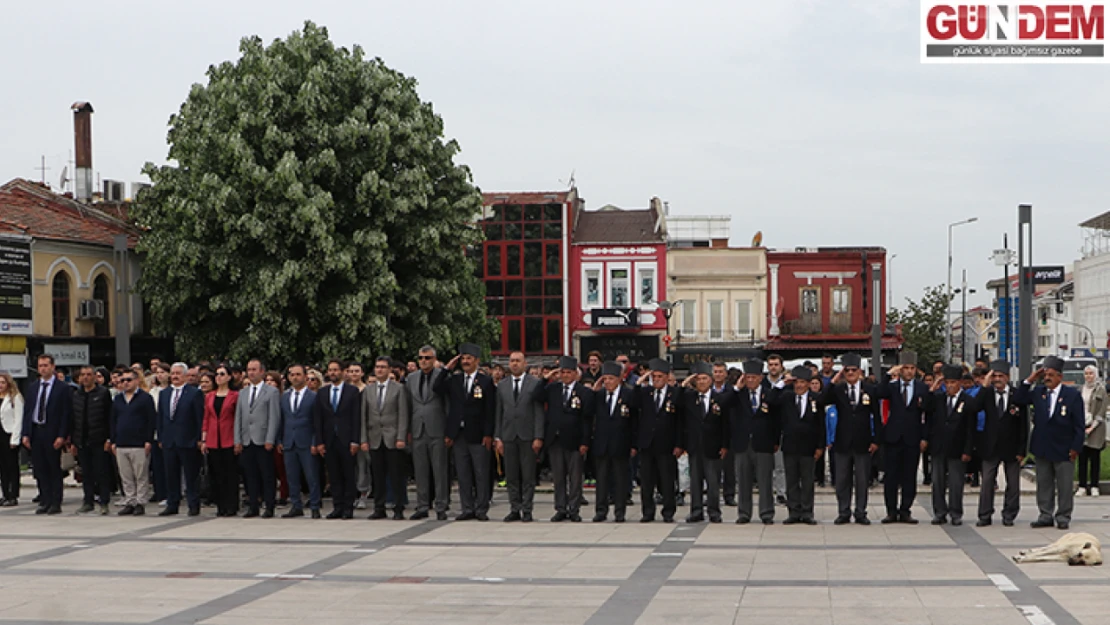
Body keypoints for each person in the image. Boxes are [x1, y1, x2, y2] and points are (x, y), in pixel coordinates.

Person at [1017, 356, 1086, 529]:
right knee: (1044, 484)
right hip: (1042, 446)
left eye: (1051, 375)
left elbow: (1079, 424)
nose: (1047, 378)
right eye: (1045, 375)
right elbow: (1018, 399)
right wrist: (1030, 380)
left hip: (1064, 448)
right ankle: (1045, 514)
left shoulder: (1072, 395)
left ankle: (1063, 516)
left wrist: (1076, 447)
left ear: (1060, 377)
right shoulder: (1039, 392)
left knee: (1064, 485)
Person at [436, 343, 496, 521]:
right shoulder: (455, 379)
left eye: (469, 358)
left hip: (478, 434)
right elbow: (437, 388)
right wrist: (447, 368)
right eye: (463, 358)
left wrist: (488, 434)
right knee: (463, 474)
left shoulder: (485, 381)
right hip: (458, 433)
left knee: (480, 473)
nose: (466, 361)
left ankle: (481, 509)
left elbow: (490, 410)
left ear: (477, 360)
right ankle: (467, 507)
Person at [822, 353, 880, 525]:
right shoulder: (838, 389)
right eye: (847, 371)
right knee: (842, 480)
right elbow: (823, 399)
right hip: (842, 441)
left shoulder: (869, 389)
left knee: (862, 480)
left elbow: (876, 416)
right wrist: (833, 380)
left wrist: (876, 440)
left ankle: (861, 512)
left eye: (854, 370)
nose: (850, 374)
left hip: (863, 442)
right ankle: (844, 511)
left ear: (860, 371)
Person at [536, 356, 594, 522]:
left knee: (575, 477)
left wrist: (585, 441)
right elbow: (537, 396)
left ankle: (574, 508)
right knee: (559, 477)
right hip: (555, 439)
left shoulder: (584, 392)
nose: (566, 375)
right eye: (563, 372)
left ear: (576, 374)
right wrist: (545, 379)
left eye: (569, 372)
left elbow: (587, 419)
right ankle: (560, 508)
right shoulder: (553, 389)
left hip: (575, 440)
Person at [969, 359, 1027, 527]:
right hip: (990, 446)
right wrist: (984, 386)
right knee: (987, 482)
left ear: (1007, 377)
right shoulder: (986, 393)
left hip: (1012, 446)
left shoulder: (1017, 395)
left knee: (1013, 484)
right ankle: (985, 514)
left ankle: (1009, 514)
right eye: (994, 376)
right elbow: (973, 407)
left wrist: (1022, 449)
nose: (997, 379)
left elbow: (1023, 424)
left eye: (1000, 376)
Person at [875, 352, 929, 524]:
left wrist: (924, 437)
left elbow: (928, 414)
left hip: (913, 438)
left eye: (912, 368)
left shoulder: (922, 388)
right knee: (891, 476)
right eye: (906, 368)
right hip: (893, 437)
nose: (909, 372)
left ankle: (905, 510)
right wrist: (889, 374)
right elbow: (878, 392)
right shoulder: (892, 386)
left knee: (909, 477)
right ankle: (891, 511)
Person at [494, 351, 544, 522]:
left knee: (528, 475)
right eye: (512, 361)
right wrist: (498, 437)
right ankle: (514, 508)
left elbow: (538, 412)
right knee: (511, 475)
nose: (514, 364)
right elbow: (498, 413)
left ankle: (527, 509)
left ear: (525, 364)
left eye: (518, 361)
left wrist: (538, 436)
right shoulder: (502, 385)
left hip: (527, 435)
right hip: (508, 435)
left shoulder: (535, 384)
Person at [772, 366, 824, 525]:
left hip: (809, 447)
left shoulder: (816, 398)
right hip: (790, 446)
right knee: (792, 480)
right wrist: (782, 383)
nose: (799, 386)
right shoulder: (786, 397)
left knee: (807, 481)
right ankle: (794, 511)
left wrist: (820, 446)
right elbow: (770, 400)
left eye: (802, 382)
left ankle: (807, 512)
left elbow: (821, 425)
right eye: (797, 382)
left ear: (809, 383)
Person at [21, 354, 72, 515]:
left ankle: (55, 502)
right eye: (40, 366)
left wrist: (62, 435)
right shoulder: (33, 387)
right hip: (36, 431)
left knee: (53, 468)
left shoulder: (62, 388)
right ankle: (44, 499)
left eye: (45, 365)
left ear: (52, 367)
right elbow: (28, 411)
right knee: (40, 468)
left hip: (52, 432)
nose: (43, 368)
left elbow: (66, 413)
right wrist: (26, 433)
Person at [361, 356, 409, 520]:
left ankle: (398, 507)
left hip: (393, 436)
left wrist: (401, 436)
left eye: (383, 367)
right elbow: (364, 416)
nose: (379, 370)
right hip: (374, 436)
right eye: (377, 367)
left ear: (389, 370)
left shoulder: (399, 389)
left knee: (396, 474)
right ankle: (379, 507)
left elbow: (403, 414)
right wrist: (363, 439)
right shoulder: (368, 390)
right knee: (378, 474)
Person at [924, 365, 973, 526]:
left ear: (959, 382)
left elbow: (970, 428)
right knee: (937, 482)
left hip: (957, 448)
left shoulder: (967, 401)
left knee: (956, 483)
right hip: (939, 447)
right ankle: (939, 512)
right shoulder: (938, 398)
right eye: (947, 382)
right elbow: (925, 407)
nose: (950, 386)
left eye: (953, 382)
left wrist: (967, 450)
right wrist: (933, 388)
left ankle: (956, 512)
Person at [635, 358, 683, 523]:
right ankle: (648, 512)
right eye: (653, 376)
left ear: (667, 377)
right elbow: (632, 395)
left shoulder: (675, 393)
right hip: (647, 444)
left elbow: (680, 421)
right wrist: (642, 379)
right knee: (647, 481)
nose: (656, 379)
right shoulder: (645, 393)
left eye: (660, 376)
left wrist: (679, 444)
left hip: (667, 444)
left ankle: (668, 512)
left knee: (667, 480)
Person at [682, 362, 730, 523]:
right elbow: (677, 395)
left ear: (710, 380)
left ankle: (714, 511)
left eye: (704, 378)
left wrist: (724, 445)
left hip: (713, 446)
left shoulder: (719, 399)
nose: (701, 382)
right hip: (695, 446)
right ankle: (696, 511)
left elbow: (725, 424)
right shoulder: (689, 397)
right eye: (699, 379)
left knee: (713, 481)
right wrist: (686, 382)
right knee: (695, 481)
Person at [406, 346, 449, 521]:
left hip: (437, 428)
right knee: (420, 470)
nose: (424, 361)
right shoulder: (411, 378)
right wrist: (407, 429)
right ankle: (422, 505)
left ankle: (441, 505)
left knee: (439, 470)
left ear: (434, 359)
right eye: (421, 358)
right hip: (418, 428)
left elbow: (448, 404)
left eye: (428, 358)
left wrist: (448, 430)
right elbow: (408, 405)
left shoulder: (442, 376)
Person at [591, 361, 638, 523]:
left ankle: (620, 511)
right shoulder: (598, 396)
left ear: (619, 379)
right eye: (605, 379)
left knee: (620, 480)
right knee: (602, 480)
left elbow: (634, 422)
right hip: (602, 444)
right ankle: (601, 510)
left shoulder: (628, 395)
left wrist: (633, 444)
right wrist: (596, 388)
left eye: (611, 378)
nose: (608, 382)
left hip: (621, 444)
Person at [235, 359, 282, 518]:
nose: (251, 373)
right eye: (249, 369)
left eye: (254, 369)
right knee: (250, 475)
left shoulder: (271, 392)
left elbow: (274, 417)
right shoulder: (243, 393)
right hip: (247, 439)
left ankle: (269, 506)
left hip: (263, 439)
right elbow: (239, 418)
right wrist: (238, 439)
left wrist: (270, 438)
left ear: (262, 371)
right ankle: (253, 505)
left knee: (267, 475)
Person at [156, 362, 205, 516]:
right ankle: (172, 503)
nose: (175, 376)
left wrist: (198, 438)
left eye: (178, 373)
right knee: (171, 474)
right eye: (173, 373)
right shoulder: (164, 393)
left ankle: (193, 504)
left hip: (188, 440)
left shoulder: (194, 393)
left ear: (185, 376)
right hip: (169, 440)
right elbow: (161, 417)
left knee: (191, 475)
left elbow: (199, 417)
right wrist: (161, 436)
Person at [314, 360, 361, 519]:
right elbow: (318, 419)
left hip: (346, 439)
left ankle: (348, 508)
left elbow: (356, 418)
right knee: (333, 475)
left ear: (343, 372)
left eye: (335, 370)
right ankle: (337, 506)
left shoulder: (352, 391)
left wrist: (355, 440)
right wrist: (319, 441)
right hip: (329, 439)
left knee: (348, 474)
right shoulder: (322, 392)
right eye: (330, 370)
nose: (332, 373)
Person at [732, 359, 777, 525]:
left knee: (765, 480)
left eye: (753, 377)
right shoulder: (738, 394)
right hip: (743, 443)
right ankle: (744, 513)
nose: (750, 380)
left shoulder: (769, 393)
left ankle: (766, 513)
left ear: (760, 377)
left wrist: (775, 440)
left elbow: (776, 419)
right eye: (748, 377)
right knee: (743, 480)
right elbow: (724, 402)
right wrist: (737, 387)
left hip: (763, 443)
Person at [108, 371, 156, 516]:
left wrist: (148, 440)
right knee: (126, 475)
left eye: (129, 380)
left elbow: (151, 420)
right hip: (121, 442)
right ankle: (130, 501)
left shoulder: (145, 398)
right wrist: (113, 440)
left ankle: (140, 502)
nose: (125, 383)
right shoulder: (118, 399)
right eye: (122, 380)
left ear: (136, 381)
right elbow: (113, 420)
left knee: (140, 475)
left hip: (139, 443)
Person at [278, 364, 321, 518]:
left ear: (304, 376)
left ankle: (315, 506)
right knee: (292, 476)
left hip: (307, 441)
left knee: (311, 476)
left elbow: (317, 422)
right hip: (289, 441)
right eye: (292, 375)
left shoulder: (313, 397)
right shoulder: (285, 397)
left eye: (298, 374)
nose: (294, 377)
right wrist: (280, 439)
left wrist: (315, 441)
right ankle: (296, 505)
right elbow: (282, 420)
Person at [70, 365, 113, 515]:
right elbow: (73, 419)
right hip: (82, 439)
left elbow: (109, 417)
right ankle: (88, 501)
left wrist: (109, 438)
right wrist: (73, 441)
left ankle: (104, 502)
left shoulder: (103, 393)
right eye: (83, 375)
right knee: (86, 473)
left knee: (102, 472)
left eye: (89, 374)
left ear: (95, 377)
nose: (86, 377)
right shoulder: (76, 395)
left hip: (99, 439)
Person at [201, 366, 239, 517]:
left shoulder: (234, 395)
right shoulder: (210, 396)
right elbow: (206, 418)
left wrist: (238, 440)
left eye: (222, 374)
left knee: (230, 474)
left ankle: (231, 505)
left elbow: (238, 418)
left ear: (229, 377)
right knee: (216, 474)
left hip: (229, 438)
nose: (218, 377)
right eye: (217, 374)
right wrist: (204, 439)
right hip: (212, 439)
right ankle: (220, 505)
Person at [710, 362, 738, 507]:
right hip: (711, 432)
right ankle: (711, 495)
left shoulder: (732, 390)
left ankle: (729, 494)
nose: (718, 374)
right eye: (716, 371)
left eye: (721, 371)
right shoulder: (707, 389)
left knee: (729, 467)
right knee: (711, 468)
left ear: (726, 374)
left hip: (728, 431)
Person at [1077, 364, 1106, 498]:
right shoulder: (1081, 389)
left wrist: (1092, 427)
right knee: (1082, 459)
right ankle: (1082, 486)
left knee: (1095, 458)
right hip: (1082, 426)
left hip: (1096, 428)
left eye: (1091, 373)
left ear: (1096, 375)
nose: (1088, 376)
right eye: (1086, 373)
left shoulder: (1101, 390)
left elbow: (1102, 410)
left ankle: (1094, 486)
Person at [765, 354, 788, 506]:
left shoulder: (787, 383)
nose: (773, 367)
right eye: (771, 364)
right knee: (766, 467)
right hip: (765, 428)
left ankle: (781, 493)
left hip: (781, 428)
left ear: (781, 366)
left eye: (776, 364)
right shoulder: (763, 383)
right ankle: (766, 494)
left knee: (780, 466)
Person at [0, 373, 23, 506]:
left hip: (9, 434)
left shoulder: (15, 398)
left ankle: (13, 494)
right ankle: (5, 494)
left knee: (12, 466)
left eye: (3, 382)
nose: (0, 385)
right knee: (2, 467)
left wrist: (15, 438)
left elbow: (18, 419)